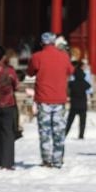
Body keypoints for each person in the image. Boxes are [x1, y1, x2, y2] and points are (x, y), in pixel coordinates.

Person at [27, 31, 74, 168]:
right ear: (54, 42)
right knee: (59, 131)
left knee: (45, 131)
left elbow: (30, 72)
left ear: (42, 43)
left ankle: (46, 160)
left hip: (43, 99)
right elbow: (71, 71)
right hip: (59, 99)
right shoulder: (64, 56)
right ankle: (58, 160)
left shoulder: (37, 56)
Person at [65, 65, 90, 139]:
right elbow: (89, 86)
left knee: (69, 121)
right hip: (83, 105)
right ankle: (81, 135)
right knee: (82, 122)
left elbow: (67, 87)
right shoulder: (85, 84)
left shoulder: (71, 83)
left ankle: (65, 133)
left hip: (74, 105)